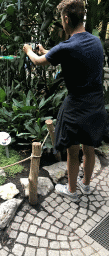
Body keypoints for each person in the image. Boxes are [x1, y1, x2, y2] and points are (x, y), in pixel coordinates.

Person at [23, 0, 107, 202]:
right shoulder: (95, 41)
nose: (62, 22)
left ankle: (72, 191)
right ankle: (85, 185)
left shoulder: (67, 46)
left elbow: (38, 61)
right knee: (89, 148)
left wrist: (29, 51)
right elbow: (73, 52)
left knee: (72, 151)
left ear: (66, 19)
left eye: (62, 19)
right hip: (96, 105)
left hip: (76, 106)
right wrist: (47, 51)